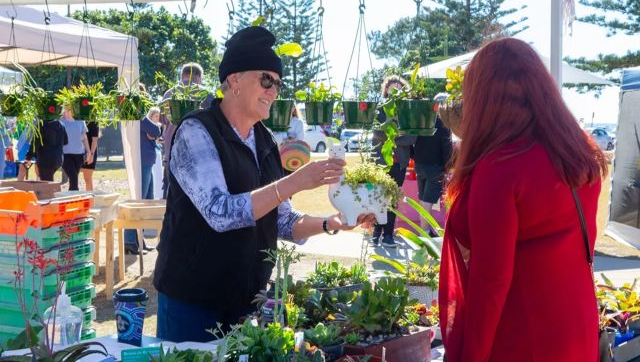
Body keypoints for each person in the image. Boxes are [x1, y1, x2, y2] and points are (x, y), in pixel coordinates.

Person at [153, 26, 373, 342]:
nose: (273, 91)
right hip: (192, 300)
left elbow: (283, 221)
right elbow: (219, 212)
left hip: (245, 302)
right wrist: (294, 182)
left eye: (277, 84)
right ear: (234, 80)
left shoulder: (264, 140)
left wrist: (333, 222)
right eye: (265, 80)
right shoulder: (196, 132)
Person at [438, 38, 607, 362]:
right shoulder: (580, 154)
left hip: (526, 339)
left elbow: (490, 280)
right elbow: (587, 243)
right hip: (576, 323)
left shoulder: (502, 167)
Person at [370, 75, 415, 248]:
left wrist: (391, 138)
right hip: (382, 161)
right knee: (379, 197)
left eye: (399, 86)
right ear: (386, 89)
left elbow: (411, 137)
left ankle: (388, 235)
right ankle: (376, 231)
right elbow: (376, 133)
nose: (395, 89)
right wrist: (395, 136)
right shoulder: (380, 108)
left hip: (399, 162)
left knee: (393, 199)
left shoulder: (408, 110)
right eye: (392, 86)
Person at [160, 63, 214, 198]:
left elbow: (162, 121)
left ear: (182, 75)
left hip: (171, 150)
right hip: (198, 153)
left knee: (170, 196)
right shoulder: (206, 95)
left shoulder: (168, 93)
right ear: (198, 76)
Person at [124, 107, 163, 255]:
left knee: (147, 200)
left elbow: (155, 132)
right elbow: (156, 130)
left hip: (147, 162)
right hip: (142, 162)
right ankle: (129, 241)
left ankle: (139, 240)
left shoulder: (140, 117)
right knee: (138, 201)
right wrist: (154, 130)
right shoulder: (138, 114)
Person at [414, 117, 452, 231]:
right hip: (435, 166)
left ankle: (425, 230)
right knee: (428, 200)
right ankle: (425, 232)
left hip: (419, 164)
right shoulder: (444, 123)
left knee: (422, 198)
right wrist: (448, 166)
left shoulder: (421, 120)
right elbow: (447, 147)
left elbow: (413, 141)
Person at [60, 107, 92, 191]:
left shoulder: (80, 121)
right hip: (65, 155)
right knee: (73, 177)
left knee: (73, 179)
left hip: (79, 155)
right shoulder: (60, 121)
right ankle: (75, 196)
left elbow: (84, 137)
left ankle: (71, 198)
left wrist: (88, 152)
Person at [81, 121, 99, 191]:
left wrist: (91, 154)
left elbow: (95, 140)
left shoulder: (94, 122)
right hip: (77, 151)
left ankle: (90, 199)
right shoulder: (77, 119)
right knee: (73, 178)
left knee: (87, 179)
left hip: (90, 152)